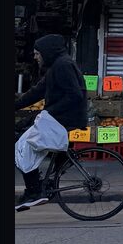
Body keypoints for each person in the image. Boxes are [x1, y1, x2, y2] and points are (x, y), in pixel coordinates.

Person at [13, 34, 88, 210]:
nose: (35, 57)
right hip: (59, 116)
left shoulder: (63, 66)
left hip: (65, 118)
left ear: (47, 52)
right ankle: (58, 164)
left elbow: (75, 95)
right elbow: (38, 91)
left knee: (23, 144)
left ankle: (34, 191)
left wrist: (48, 112)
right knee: (23, 131)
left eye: (37, 53)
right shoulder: (57, 66)